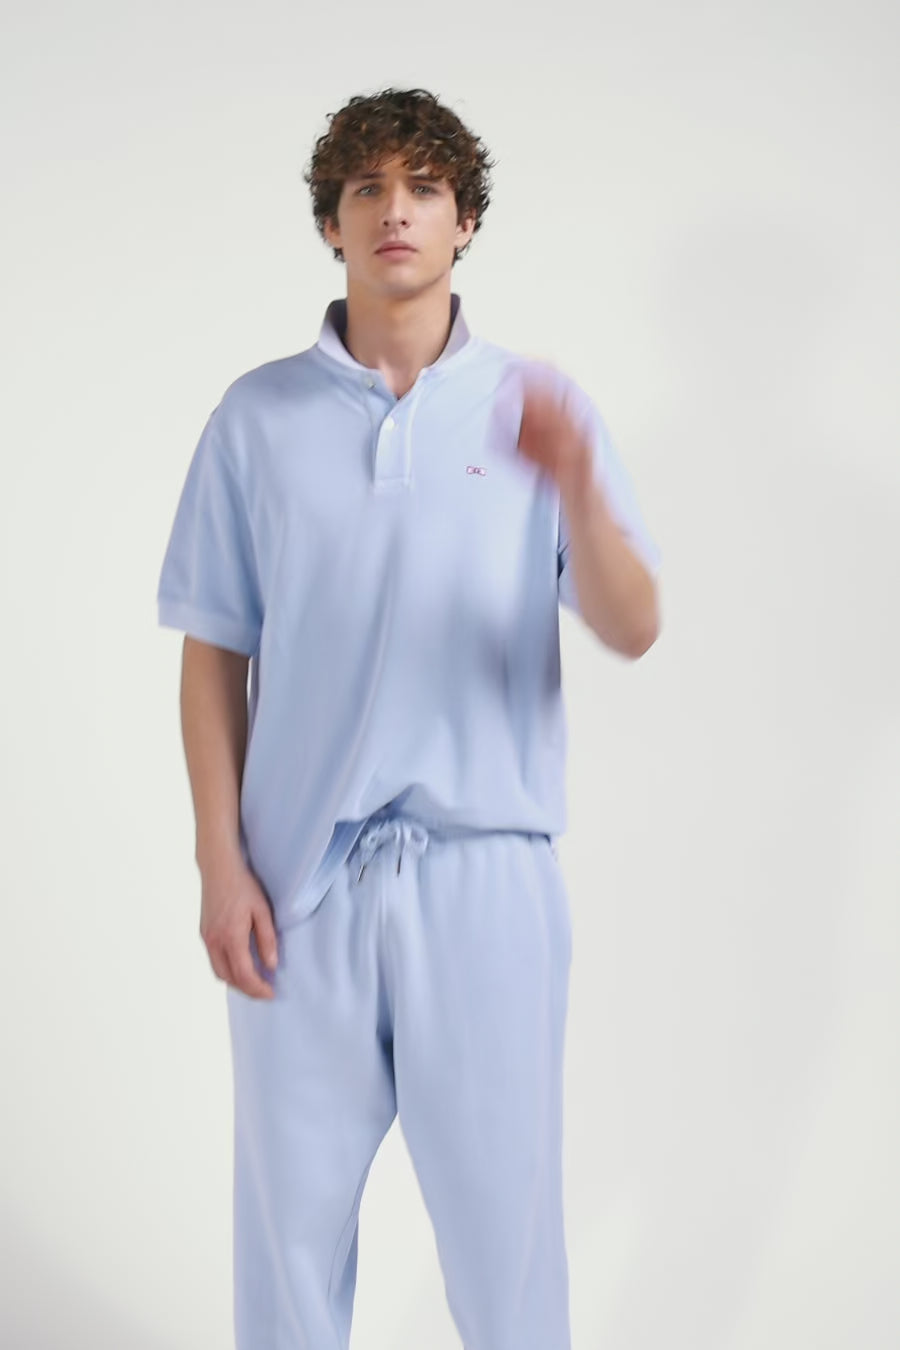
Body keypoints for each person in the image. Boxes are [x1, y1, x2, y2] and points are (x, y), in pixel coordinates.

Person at [157, 85, 662, 1350]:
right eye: (368, 189)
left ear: (465, 220)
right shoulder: (255, 420)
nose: (396, 211)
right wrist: (221, 863)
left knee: (505, 1245)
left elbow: (633, 622)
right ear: (331, 222)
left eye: (424, 189)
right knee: (287, 1240)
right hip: (298, 889)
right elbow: (216, 650)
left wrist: (578, 486)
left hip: (486, 876)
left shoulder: (535, 408)